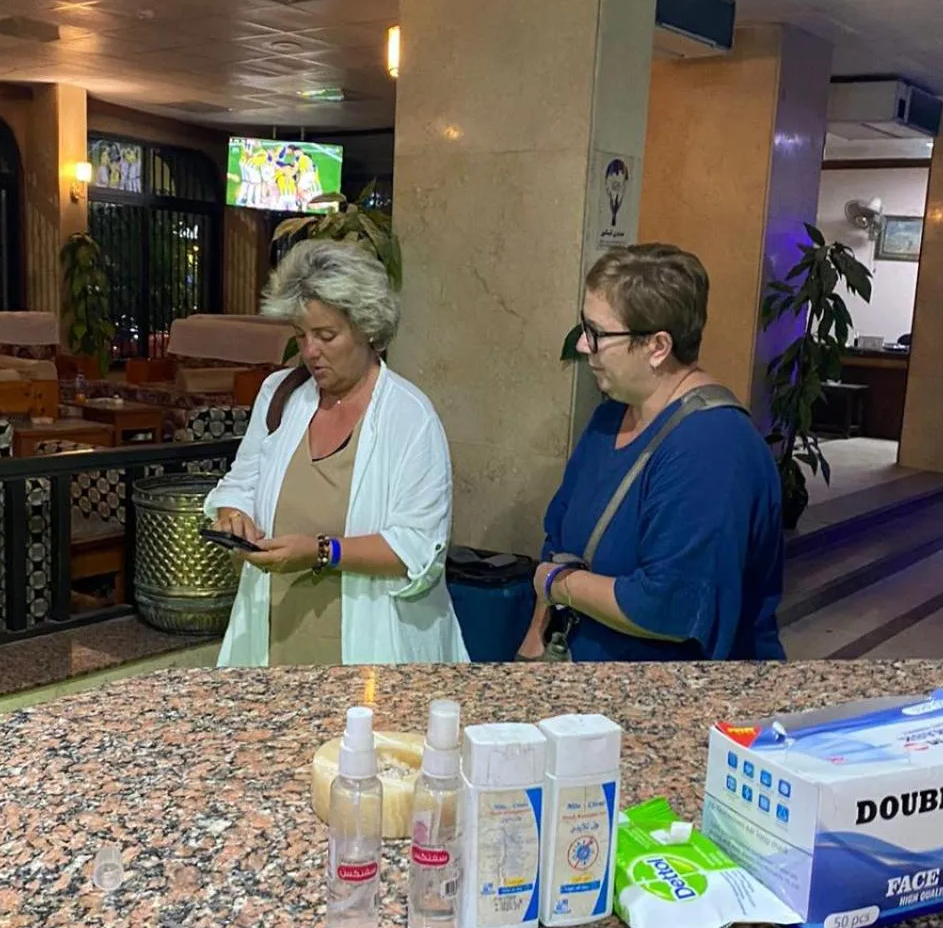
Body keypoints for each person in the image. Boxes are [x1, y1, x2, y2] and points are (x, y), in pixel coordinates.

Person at [518, 243, 785, 663]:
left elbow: (667, 605)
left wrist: (554, 583)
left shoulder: (712, 446)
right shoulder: (610, 418)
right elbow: (561, 539)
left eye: (599, 334)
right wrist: (536, 636)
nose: (585, 346)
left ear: (658, 346)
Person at [207, 239, 468, 667]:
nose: (310, 351)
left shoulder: (410, 418)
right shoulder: (281, 395)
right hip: (278, 637)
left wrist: (322, 552)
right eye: (301, 336)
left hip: (375, 645)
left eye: (326, 335)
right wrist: (233, 515)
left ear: (367, 327)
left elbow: (418, 547)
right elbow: (242, 481)